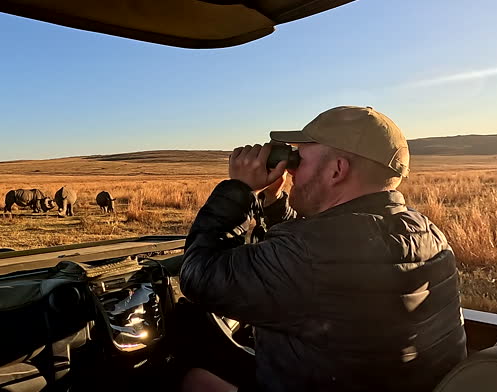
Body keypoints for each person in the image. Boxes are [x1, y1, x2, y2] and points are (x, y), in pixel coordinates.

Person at [179, 106, 466, 392]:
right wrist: (275, 199)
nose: (290, 170)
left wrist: (238, 189)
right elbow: (319, 249)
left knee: (191, 377)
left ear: (337, 170)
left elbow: (198, 275)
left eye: (298, 159)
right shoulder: (426, 232)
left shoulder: (313, 253)